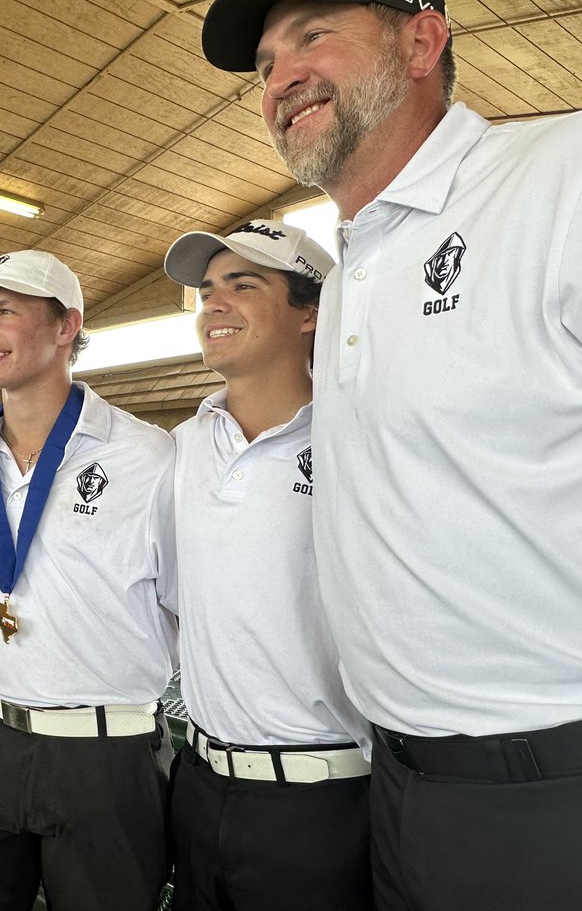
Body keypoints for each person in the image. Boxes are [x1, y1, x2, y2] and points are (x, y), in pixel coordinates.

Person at [202, 0, 582, 909]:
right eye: (266, 65)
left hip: (572, 781)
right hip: (401, 787)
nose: (282, 78)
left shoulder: (577, 174)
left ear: (423, 40)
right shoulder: (358, 261)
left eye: (315, 37)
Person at [0, 251, 178, 911]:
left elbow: (188, 605)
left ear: (67, 328)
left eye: (7, 311)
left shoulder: (145, 455)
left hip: (106, 756)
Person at [163, 220, 371, 910]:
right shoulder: (180, 448)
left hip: (320, 801)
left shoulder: (360, 440)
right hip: (198, 785)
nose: (213, 303)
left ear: (311, 313)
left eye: (243, 285)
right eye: (207, 289)